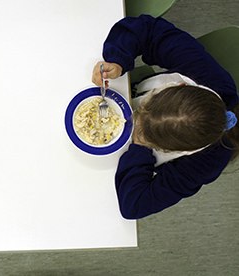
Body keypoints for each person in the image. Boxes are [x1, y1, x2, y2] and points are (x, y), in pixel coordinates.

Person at [91, 15, 239, 219]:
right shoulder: (205, 74)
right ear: (178, 86)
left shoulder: (204, 164)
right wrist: (118, 60)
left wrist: (140, 147)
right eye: (146, 107)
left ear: (171, 150)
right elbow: (148, 30)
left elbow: (133, 205)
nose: (134, 121)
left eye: (145, 134)